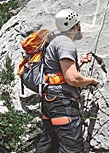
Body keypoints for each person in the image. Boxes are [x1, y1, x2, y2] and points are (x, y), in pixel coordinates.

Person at [36, 8, 99, 153]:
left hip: (50, 101)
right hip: (61, 102)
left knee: (49, 143)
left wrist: (80, 63)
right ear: (75, 26)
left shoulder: (55, 42)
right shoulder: (65, 44)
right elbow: (72, 78)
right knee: (72, 147)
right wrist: (91, 81)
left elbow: (58, 71)